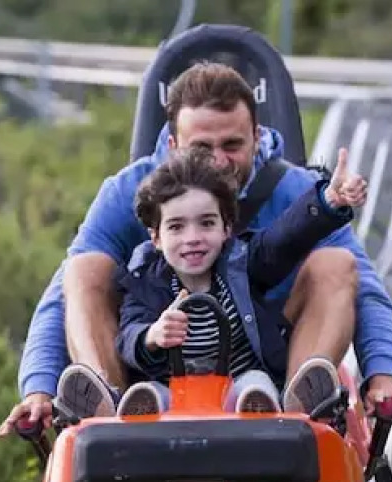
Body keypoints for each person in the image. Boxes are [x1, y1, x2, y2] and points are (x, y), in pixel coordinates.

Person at [0, 61, 392, 438]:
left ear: (256, 137)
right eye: (203, 148)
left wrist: (383, 376)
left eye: (232, 145)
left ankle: (299, 415)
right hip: (157, 372)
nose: (219, 161)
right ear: (173, 146)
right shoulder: (128, 193)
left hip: (265, 359)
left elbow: (360, 284)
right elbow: (65, 296)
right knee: (82, 268)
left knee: (336, 262)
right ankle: (103, 417)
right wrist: (39, 388)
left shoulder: (294, 190)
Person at [105, 142, 370, 417]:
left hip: (236, 388)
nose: (192, 237)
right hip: (176, 396)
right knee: (152, 391)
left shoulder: (241, 264)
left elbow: (285, 237)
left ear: (226, 229)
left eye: (207, 223)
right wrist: (151, 335)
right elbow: (128, 333)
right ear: (157, 238)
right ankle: (142, 415)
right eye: (176, 227)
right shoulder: (145, 282)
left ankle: (258, 411)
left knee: (256, 383)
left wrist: (327, 202)